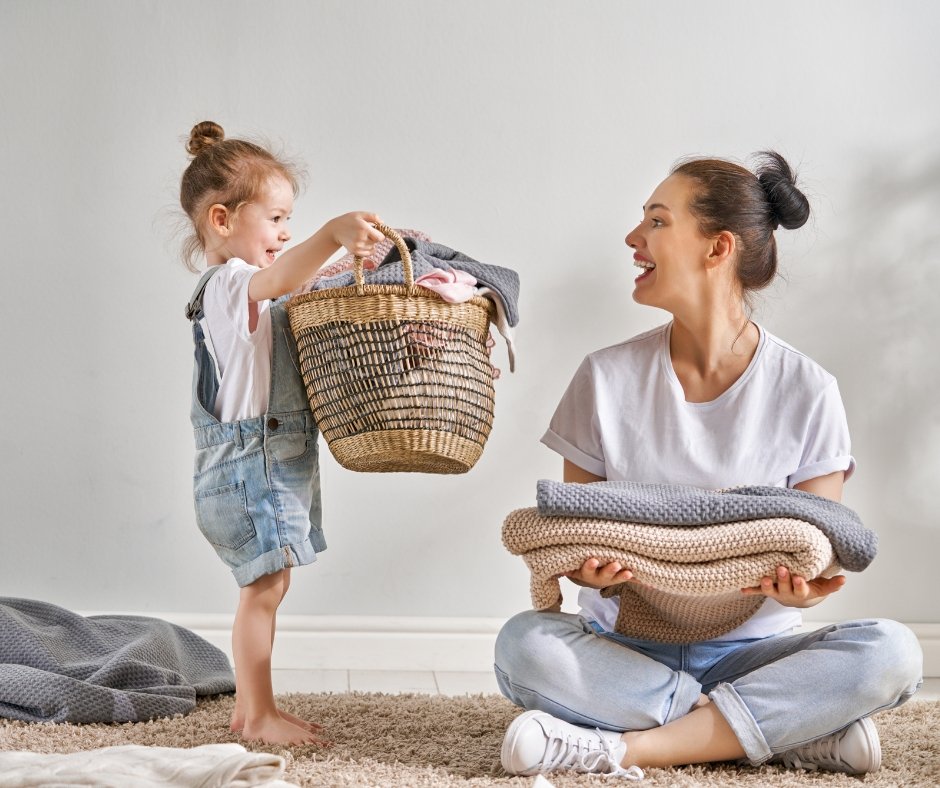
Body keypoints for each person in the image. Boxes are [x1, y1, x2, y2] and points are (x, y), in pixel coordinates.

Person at [494, 152, 923, 779]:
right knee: (522, 645)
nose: (633, 238)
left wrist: (810, 583)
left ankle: (625, 747)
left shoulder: (807, 388)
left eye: (658, 222)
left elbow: (822, 549)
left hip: (758, 651)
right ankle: (779, 732)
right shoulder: (604, 377)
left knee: (893, 652)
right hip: (627, 648)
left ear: (716, 248)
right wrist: (591, 574)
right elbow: (576, 534)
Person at [179, 121, 384, 745]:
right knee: (263, 589)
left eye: (290, 219)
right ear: (222, 220)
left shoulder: (252, 297)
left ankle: (250, 710)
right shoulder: (227, 285)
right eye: (275, 218)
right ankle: (259, 714)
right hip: (247, 469)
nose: (286, 231)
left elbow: (289, 292)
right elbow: (281, 278)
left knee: (271, 584)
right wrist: (330, 234)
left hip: (268, 463)